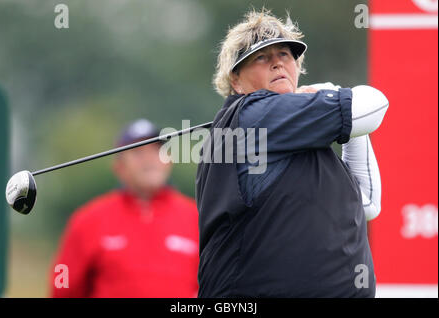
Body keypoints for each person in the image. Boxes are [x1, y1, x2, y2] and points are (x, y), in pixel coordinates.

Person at [196, 9, 388, 297]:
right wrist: (332, 92)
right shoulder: (255, 113)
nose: (277, 64)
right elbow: (375, 105)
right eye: (261, 57)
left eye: (285, 55)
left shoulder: (300, 131)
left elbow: (367, 203)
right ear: (236, 81)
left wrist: (348, 128)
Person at [50, 118, 199, 297]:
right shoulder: (88, 220)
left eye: (157, 150)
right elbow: (63, 285)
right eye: (137, 152)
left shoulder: (197, 218)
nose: (149, 159)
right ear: (119, 167)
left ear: (169, 160)